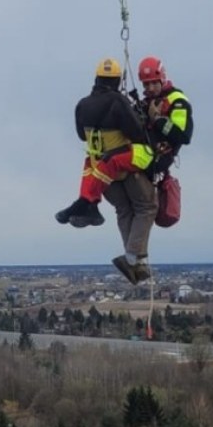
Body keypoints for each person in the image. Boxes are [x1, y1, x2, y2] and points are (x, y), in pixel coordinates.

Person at [55, 57, 157, 284]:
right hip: (122, 165)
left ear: (96, 79)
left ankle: (133, 259)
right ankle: (134, 257)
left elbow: (83, 135)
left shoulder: (81, 105)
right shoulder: (118, 102)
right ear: (118, 80)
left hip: (100, 172)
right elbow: (138, 132)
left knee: (123, 209)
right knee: (146, 205)